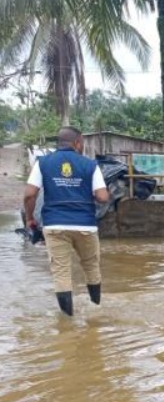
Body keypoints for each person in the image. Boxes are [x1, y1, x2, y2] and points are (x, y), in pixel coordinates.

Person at [23, 127, 110, 316]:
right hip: (85, 225)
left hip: (55, 225)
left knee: (61, 272)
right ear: (77, 142)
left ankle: (67, 319)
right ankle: (96, 309)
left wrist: (30, 218)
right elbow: (102, 197)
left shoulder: (43, 163)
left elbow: (29, 195)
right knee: (91, 266)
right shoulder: (90, 165)